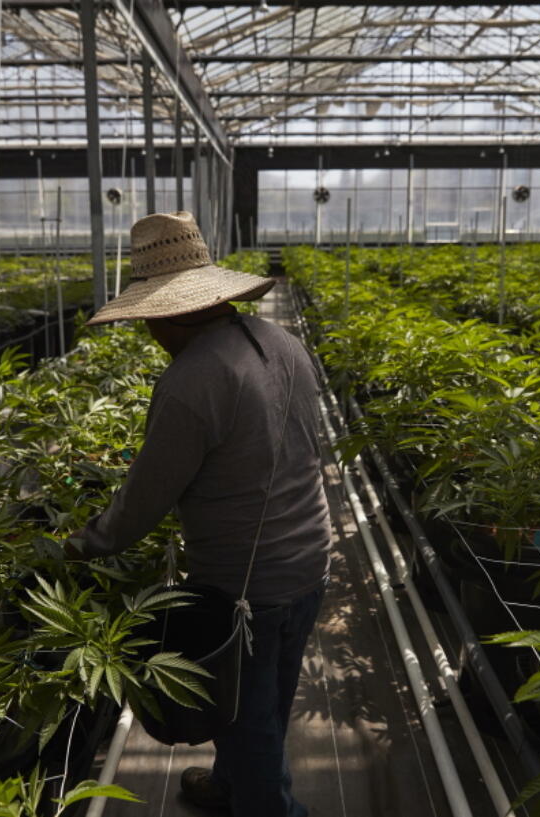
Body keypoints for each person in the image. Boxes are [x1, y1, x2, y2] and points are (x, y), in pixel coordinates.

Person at [69, 211, 331, 817]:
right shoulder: (283, 343)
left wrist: (84, 543)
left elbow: (143, 501)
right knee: (265, 698)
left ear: (169, 313)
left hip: (246, 582)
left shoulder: (192, 380)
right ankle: (232, 785)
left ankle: (267, 806)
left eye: (148, 319)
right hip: (310, 558)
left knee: (245, 719)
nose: (146, 332)